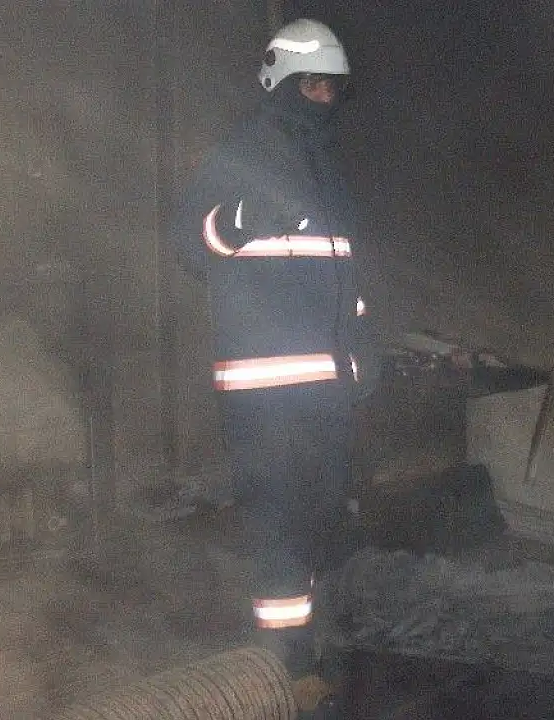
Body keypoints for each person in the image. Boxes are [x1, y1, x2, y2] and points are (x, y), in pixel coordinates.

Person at [171, 17, 371, 719]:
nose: (323, 98)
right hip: (262, 388)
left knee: (319, 520)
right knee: (277, 527)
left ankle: (310, 646)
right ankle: (285, 669)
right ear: (280, 83)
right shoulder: (241, 153)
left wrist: (359, 356)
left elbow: (344, 278)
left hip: (322, 387)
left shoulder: (327, 170)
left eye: (332, 87)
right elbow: (189, 241)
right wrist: (239, 216)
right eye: (310, 84)